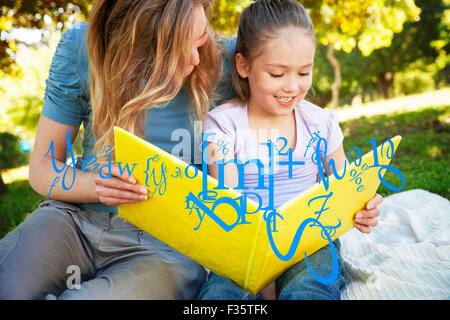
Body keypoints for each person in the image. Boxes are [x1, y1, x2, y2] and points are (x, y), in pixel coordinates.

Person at [0, 0, 236, 299]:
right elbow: (43, 168)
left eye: (200, 40)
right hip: (73, 222)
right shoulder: (82, 48)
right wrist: (96, 187)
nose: (195, 58)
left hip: (163, 249)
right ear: (132, 46)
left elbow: (290, 66)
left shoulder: (228, 58)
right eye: (177, 50)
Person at [199, 0, 382, 300]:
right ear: (244, 65)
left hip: (311, 240)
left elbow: (344, 189)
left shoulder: (321, 123)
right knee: (220, 293)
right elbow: (227, 201)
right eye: (277, 74)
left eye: (304, 72)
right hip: (246, 245)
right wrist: (262, 274)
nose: (292, 87)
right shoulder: (222, 124)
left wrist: (362, 207)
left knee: (309, 287)